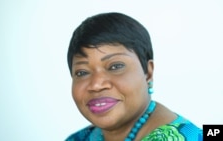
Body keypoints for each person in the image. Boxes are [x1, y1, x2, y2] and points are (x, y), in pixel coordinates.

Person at [65, 12, 202, 141]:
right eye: (82, 72)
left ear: (148, 72)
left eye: (115, 67)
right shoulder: (80, 138)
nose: (96, 84)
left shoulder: (189, 136)